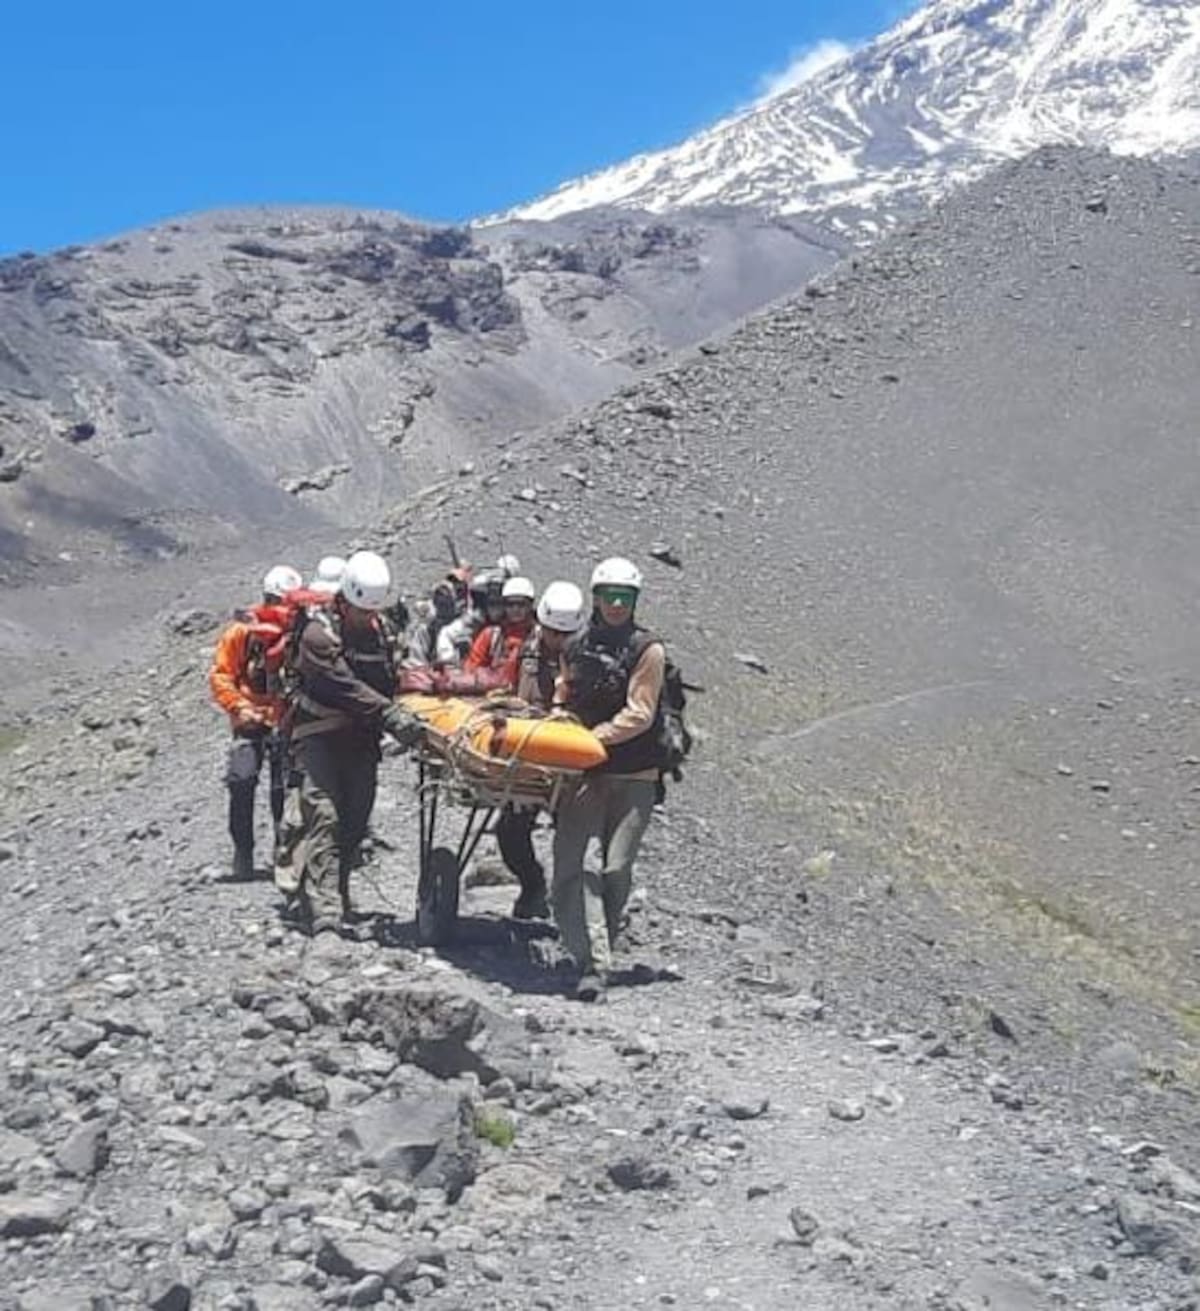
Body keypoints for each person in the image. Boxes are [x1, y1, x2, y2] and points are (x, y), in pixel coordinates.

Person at [290, 550, 421, 937]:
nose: (368, 619)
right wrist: (391, 716)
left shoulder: (382, 633)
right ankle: (325, 911)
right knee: (325, 817)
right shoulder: (318, 635)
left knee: (355, 822)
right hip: (321, 737)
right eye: (362, 611)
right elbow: (344, 686)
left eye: (372, 612)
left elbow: (395, 675)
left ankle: (335, 894)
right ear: (344, 599)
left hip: (362, 740)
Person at [552, 558, 666, 1001]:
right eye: (610, 596)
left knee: (616, 867)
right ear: (596, 596)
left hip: (635, 772)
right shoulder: (575, 644)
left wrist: (591, 738)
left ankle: (602, 945)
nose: (617, 606)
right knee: (572, 866)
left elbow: (641, 713)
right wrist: (561, 725)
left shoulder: (647, 650)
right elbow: (563, 693)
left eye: (626, 598)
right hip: (584, 772)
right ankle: (591, 962)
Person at [494, 580, 587, 920]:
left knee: (574, 840)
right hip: (528, 759)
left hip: (570, 766)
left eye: (565, 635)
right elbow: (505, 685)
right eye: (552, 632)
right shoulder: (525, 650)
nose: (558, 641)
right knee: (509, 833)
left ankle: (575, 909)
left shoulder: (587, 660)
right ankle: (532, 886)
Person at [209, 564, 302, 880]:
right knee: (241, 779)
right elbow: (222, 675)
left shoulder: (296, 635)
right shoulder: (241, 632)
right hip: (248, 716)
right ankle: (243, 851)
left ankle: (283, 850)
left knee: (282, 787)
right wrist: (239, 706)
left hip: (281, 718)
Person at [463, 576, 537, 687]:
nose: (515, 609)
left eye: (521, 604)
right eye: (510, 604)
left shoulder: (539, 636)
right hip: (492, 697)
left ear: (530, 606)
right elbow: (471, 668)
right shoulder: (490, 635)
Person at [436, 569, 504, 668]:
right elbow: (447, 635)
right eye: (492, 603)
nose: (496, 608)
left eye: (500, 602)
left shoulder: (517, 624)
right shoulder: (470, 622)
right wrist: (453, 660)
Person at [405, 580, 459, 668]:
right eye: (441, 605)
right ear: (435, 604)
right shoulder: (425, 632)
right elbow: (417, 662)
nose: (445, 611)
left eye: (449, 605)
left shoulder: (462, 629)